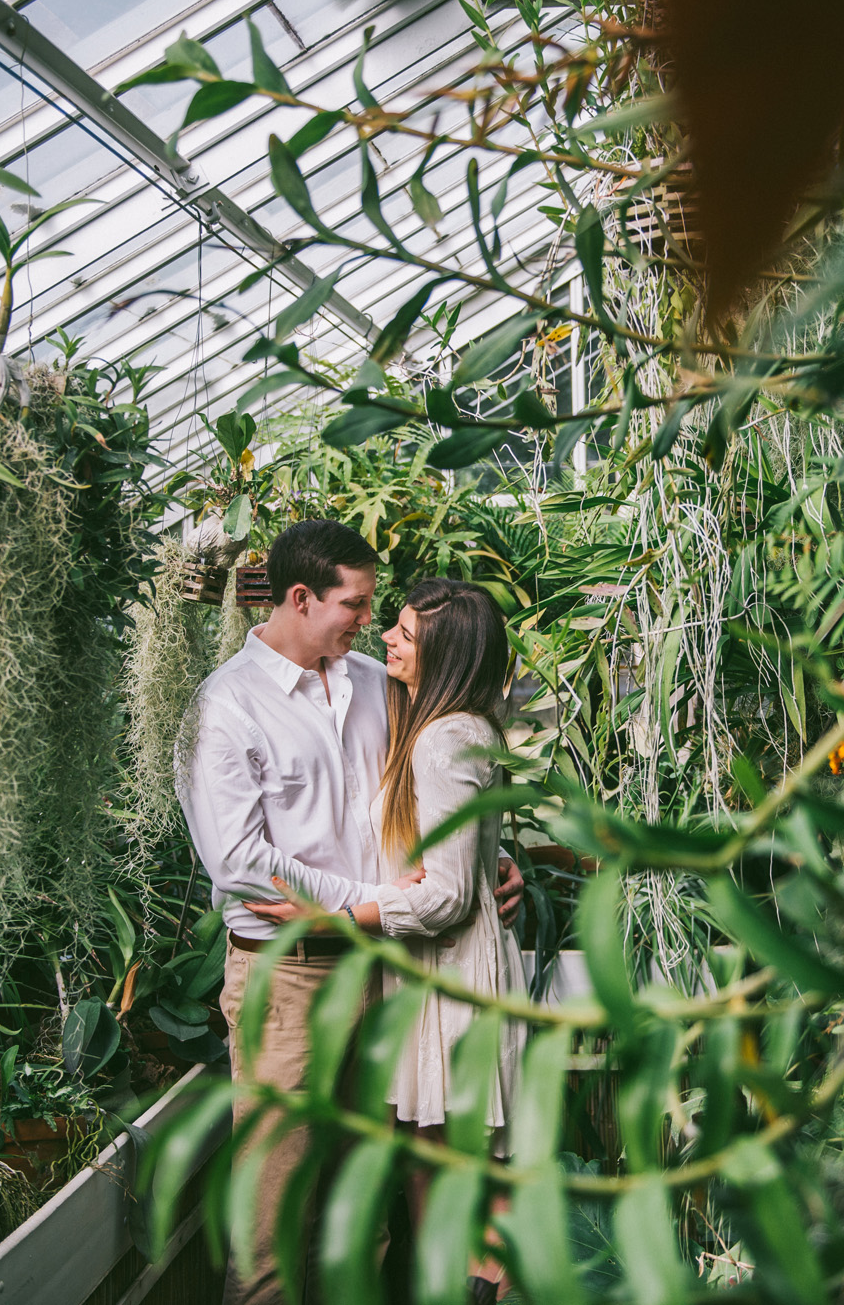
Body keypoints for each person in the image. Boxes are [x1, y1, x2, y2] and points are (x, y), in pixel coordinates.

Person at [176, 522, 522, 1305]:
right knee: (273, 1215)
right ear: (301, 598)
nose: (368, 618)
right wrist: (356, 909)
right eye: (356, 604)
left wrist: (489, 864)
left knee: (364, 1212)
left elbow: (436, 796)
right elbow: (237, 860)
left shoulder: (375, 681)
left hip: (392, 971)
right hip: (289, 979)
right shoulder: (226, 707)